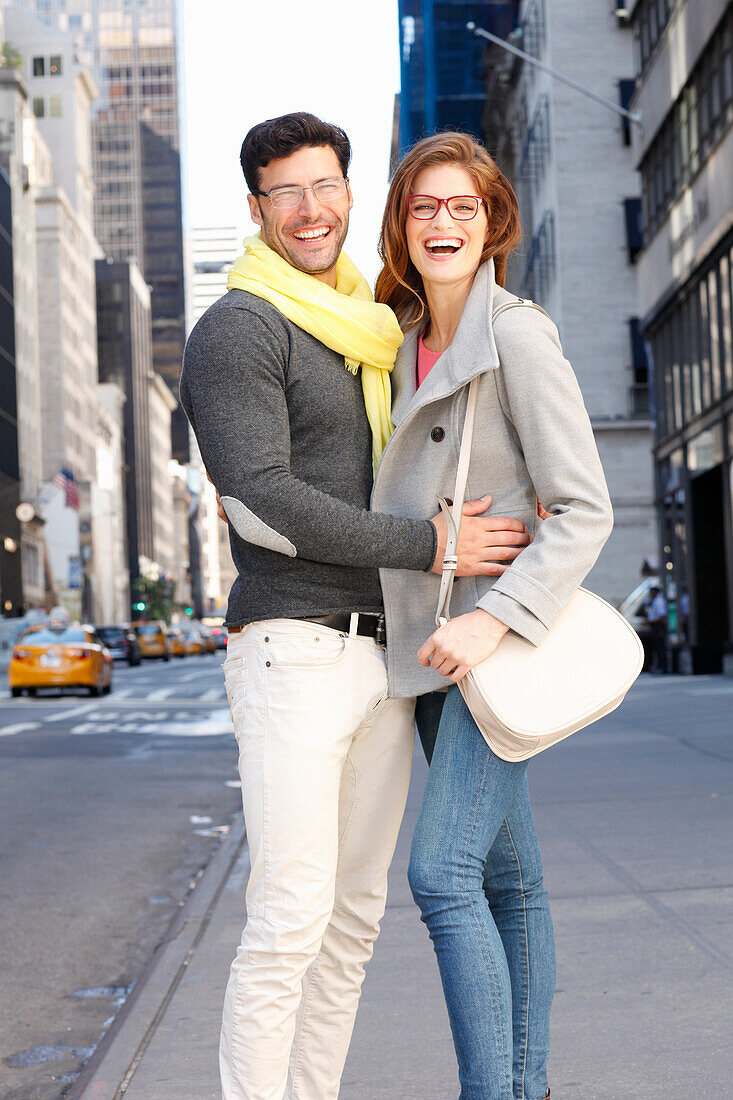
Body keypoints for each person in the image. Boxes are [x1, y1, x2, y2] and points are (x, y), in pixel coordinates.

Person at [179, 112, 532, 1100]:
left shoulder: (370, 325)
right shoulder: (240, 328)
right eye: (284, 191)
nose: (309, 209)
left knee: (351, 920)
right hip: (293, 644)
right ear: (256, 208)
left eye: (324, 185)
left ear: (349, 191)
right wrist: (432, 543)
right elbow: (264, 501)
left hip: (382, 654)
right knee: (289, 915)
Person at [371, 132, 614, 1099]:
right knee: (510, 884)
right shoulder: (389, 339)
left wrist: (493, 620)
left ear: (491, 222)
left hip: (483, 649)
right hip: (424, 647)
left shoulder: (513, 333)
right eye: (425, 207)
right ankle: (527, 1087)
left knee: (440, 875)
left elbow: (585, 506)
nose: (443, 223)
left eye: (462, 207)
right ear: (402, 223)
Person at [646, 584, 668, 673]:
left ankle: (663, 667)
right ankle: (659, 666)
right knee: (656, 647)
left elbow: (662, 615)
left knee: (660, 647)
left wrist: (652, 621)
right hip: (655, 625)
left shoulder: (659, 601)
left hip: (658, 626)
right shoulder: (654, 601)